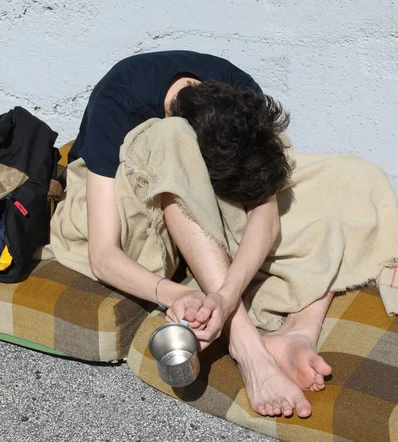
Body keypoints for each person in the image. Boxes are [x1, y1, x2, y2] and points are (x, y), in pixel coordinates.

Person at [68, 50, 333, 418]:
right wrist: (176, 293)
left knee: (346, 180)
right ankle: (248, 347)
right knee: (170, 138)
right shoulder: (118, 102)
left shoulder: (239, 92)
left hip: (204, 221)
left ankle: (298, 332)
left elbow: (265, 211)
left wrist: (223, 297)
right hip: (134, 217)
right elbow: (103, 255)